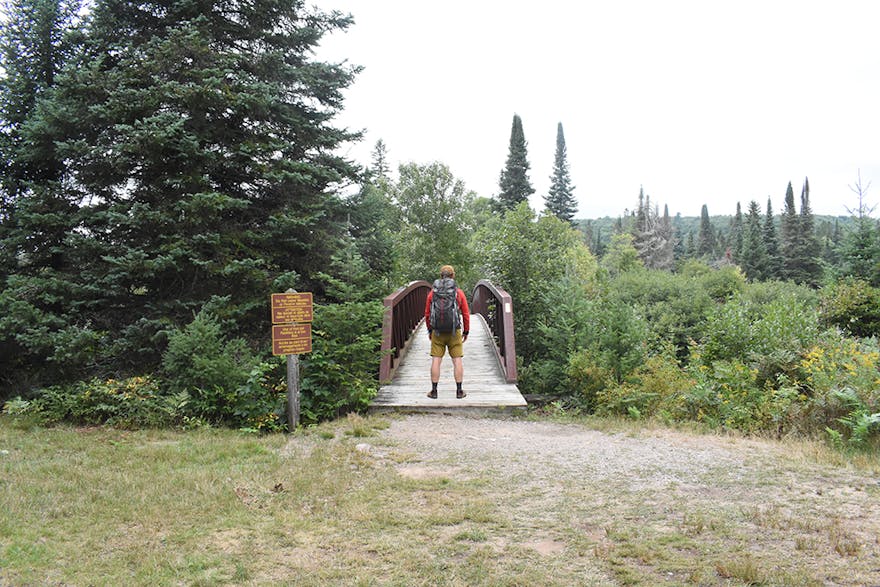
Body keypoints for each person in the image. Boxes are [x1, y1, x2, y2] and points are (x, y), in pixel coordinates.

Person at [424, 265, 470, 399]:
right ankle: (459, 391)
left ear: (441, 276)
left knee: (436, 360)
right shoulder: (458, 293)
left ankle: (434, 391)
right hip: (454, 331)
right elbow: (466, 313)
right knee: (457, 360)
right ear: (453, 276)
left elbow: (427, 313)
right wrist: (466, 331)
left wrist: (430, 330)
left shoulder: (433, 293)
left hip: (437, 332)